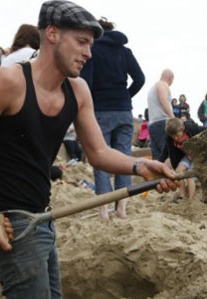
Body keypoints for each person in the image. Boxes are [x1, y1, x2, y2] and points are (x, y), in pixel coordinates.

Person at [0, 2, 178, 299]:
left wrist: (140, 167)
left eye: (91, 44)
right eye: (82, 42)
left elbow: (97, 152)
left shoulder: (77, 91)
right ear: (52, 34)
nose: (89, 53)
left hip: (44, 218)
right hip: (12, 226)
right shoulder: (7, 83)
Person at [80, 16, 146, 220]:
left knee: (101, 159)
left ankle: (103, 212)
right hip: (124, 110)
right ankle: (122, 209)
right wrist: (126, 95)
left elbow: (86, 82)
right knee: (124, 159)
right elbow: (140, 79)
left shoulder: (93, 51)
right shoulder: (124, 51)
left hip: (101, 110)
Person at [159, 117, 206, 200]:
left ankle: (191, 199)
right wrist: (159, 163)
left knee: (189, 175)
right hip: (187, 156)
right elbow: (165, 151)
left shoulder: (191, 129)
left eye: (177, 135)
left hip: (197, 155)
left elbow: (206, 130)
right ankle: (182, 196)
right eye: (173, 137)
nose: (176, 138)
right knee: (178, 171)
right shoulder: (170, 138)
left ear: (182, 129)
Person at [147, 69, 175, 161]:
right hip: (162, 122)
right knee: (167, 154)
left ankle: (158, 175)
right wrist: (173, 118)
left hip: (153, 124)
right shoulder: (162, 85)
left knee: (157, 157)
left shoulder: (154, 87)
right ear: (170, 78)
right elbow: (163, 100)